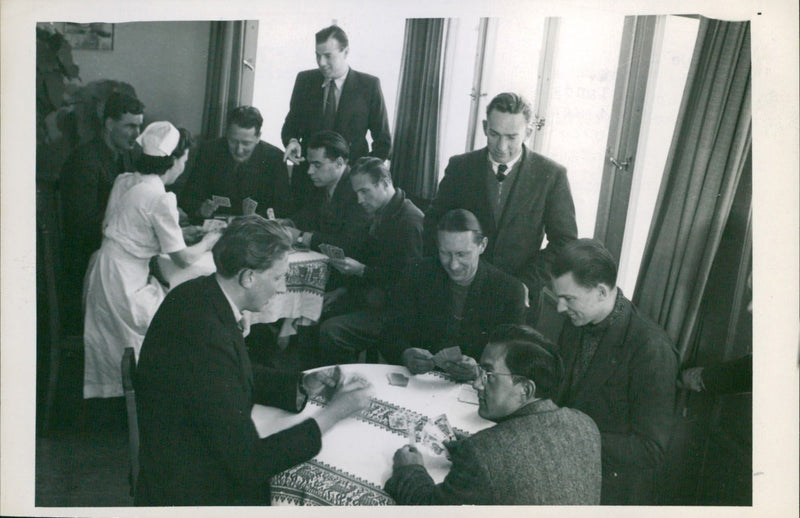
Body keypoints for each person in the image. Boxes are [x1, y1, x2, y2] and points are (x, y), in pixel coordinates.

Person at [135, 215, 374, 506]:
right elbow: (249, 464)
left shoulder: (199, 294)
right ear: (248, 277)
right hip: (190, 489)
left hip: (182, 452)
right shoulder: (206, 335)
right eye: (277, 277)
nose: (281, 287)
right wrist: (334, 413)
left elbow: (230, 374)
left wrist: (300, 384)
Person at [385, 325, 602, 505]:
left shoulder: (483, 453)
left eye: (489, 374)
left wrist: (410, 469)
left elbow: (427, 509)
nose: (477, 384)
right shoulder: (585, 425)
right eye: (480, 371)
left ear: (526, 389)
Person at [83, 122, 221, 399]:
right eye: (185, 159)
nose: (184, 165)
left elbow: (131, 228)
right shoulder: (161, 198)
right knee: (185, 315)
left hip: (103, 275)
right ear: (174, 161)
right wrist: (210, 240)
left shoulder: (128, 181)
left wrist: (180, 233)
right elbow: (182, 260)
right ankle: (168, 393)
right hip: (125, 289)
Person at [423, 92, 577, 323]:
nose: (501, 147)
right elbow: (433, 223)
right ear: (485, 127)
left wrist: (525, 283)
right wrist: (449, 270)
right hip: (460, 293)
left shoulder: (552, 175)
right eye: (494, 134)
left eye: (511, 137)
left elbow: (565, 241)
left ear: (528, 132)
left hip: (519, 297)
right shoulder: (460, 167)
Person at [551, 238, 679, 505]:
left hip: (610, 489)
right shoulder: (577, 320)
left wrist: (572, 437)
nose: (559, 308)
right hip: (565, 466)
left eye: (568, 298)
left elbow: (650, 449)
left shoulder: (651, 348)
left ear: (600, 292)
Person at [379, 209, 526, 381]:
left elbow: (513, 357)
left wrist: (480, 369)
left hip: (476, 388)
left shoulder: (509, 290)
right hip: (421, 382)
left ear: (482, 245)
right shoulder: (416, 272)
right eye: (445, 253)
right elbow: (389, 333)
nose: (453, 265)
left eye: (462, 254)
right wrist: (405, 354)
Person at [315, 157, 424, 365]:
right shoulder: (380, 213)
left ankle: (349, 385)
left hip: (394, 312)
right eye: (356, 193)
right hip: (372, 298)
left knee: (332, 331)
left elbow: (409, 283)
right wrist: (343, 290)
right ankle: (313, 382)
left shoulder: (410, 221)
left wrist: (362, 271)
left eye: (364, 191)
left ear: (384, 184)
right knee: (314, 310)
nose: (359, 200)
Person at [59, 91, 144, 333]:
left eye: (140, 126)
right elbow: (81, 225)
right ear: (108, 124)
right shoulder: (84, 161)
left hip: (115, 253)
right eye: (129, 126)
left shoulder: (129, 157)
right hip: (86, 260)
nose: (136, 134)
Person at [281, 25, 391, 209]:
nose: (321, 62)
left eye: (328, 55)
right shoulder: (304, 80)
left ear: (345, 52)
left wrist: (360, 176)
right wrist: (292, 141)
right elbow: (290, 126)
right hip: (309, 181)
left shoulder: (369, 85)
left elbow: (383, 141)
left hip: (349, 185)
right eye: (317, 55)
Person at [179, 105, 293, 223]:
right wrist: (200, 209)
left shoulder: (275, 158)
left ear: (258, 137)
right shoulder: (209, 151)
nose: (239, 150)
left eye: (246, 143)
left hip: (256, 231)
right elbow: (188, 198)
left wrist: (257, 218)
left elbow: (284, 208)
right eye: (233, 141)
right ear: (227, 134)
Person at [283, 130, 371, 259]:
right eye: (310, 164)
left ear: (339, 163)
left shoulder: (358, 191)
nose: (309, 171)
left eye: (317, 165)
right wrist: (288, 223)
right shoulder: (323, 183)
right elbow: (307, 216)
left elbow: (349, 245)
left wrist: (301, 237)